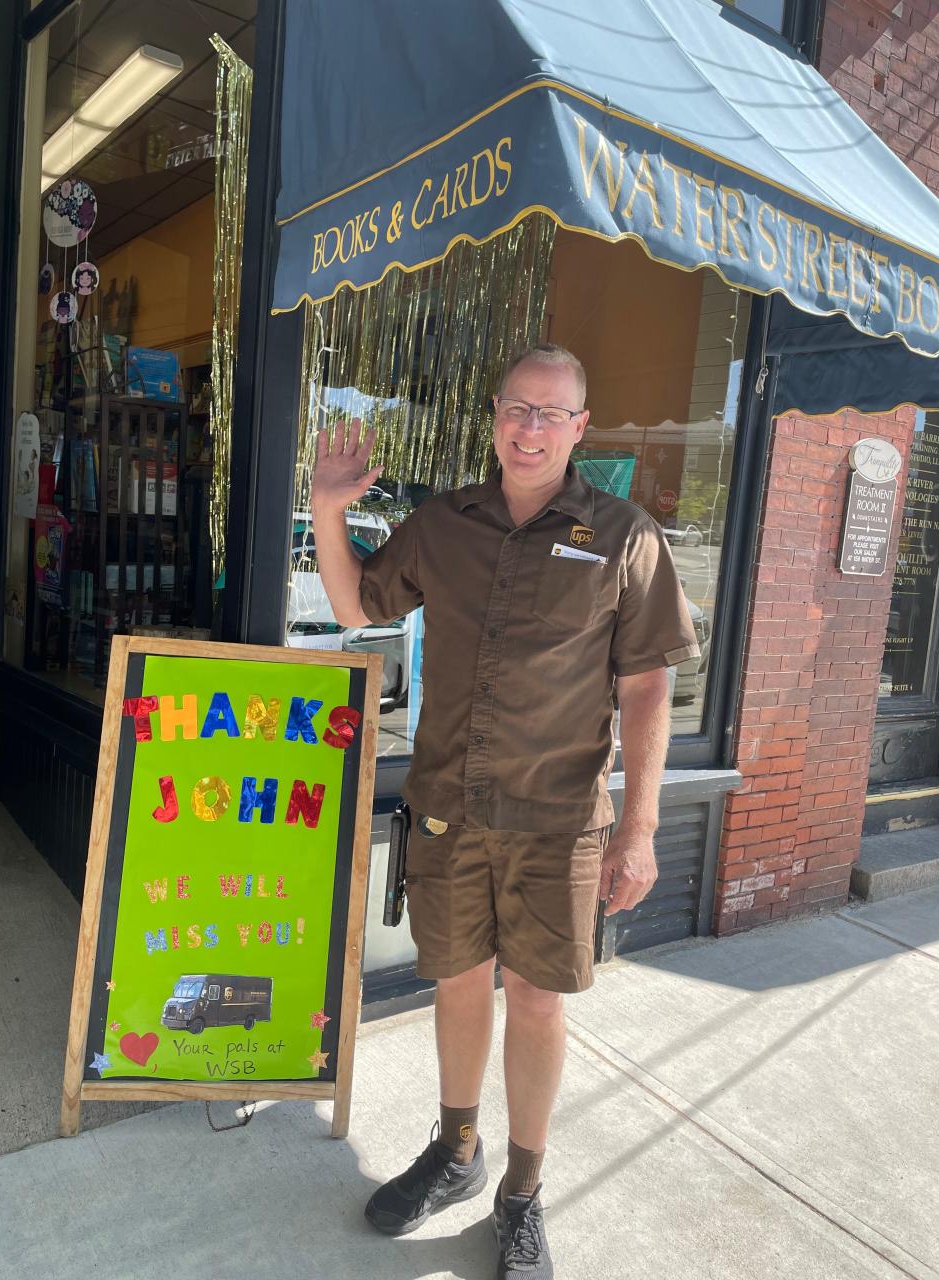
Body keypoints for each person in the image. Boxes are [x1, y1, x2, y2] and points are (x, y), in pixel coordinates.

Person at [311, 343, 699, 1279]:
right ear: (494, 417)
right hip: (449, 806)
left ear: (578, 428)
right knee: (455, 982)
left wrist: (639, 829)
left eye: (551, 413)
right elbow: (359, 600)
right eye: (516, 408)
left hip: (561, 822)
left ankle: (521, 1191)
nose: (530, 428)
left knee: (534, 1000)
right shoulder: (446, 524)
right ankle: (456, 1151)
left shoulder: (624, 537)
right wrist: (328, 508)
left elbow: (648, 693)